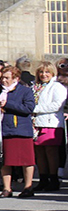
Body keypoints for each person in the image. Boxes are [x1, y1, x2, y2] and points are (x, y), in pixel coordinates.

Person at [0, 66, 36, 198]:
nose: (4, 80)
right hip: (2, 130)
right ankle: (7, 188)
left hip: (20, 130)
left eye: (7, 78)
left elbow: (28, 108)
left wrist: (7, 104)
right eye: (2, 78)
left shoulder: (25, 91)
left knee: (27, 160)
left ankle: (28, 187)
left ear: (16, 78)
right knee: (5, 160)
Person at [32, 62, 67, 191]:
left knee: (51, 152)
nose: (43, 75)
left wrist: (36, 109)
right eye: (41, 72)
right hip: (37, 123)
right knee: (39, 152)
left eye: (47, 72)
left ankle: (53, 179)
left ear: (52, 73)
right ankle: (43, 178)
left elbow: (57, 105)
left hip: (51, 123)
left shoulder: (57, 87)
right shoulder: (35, 87)